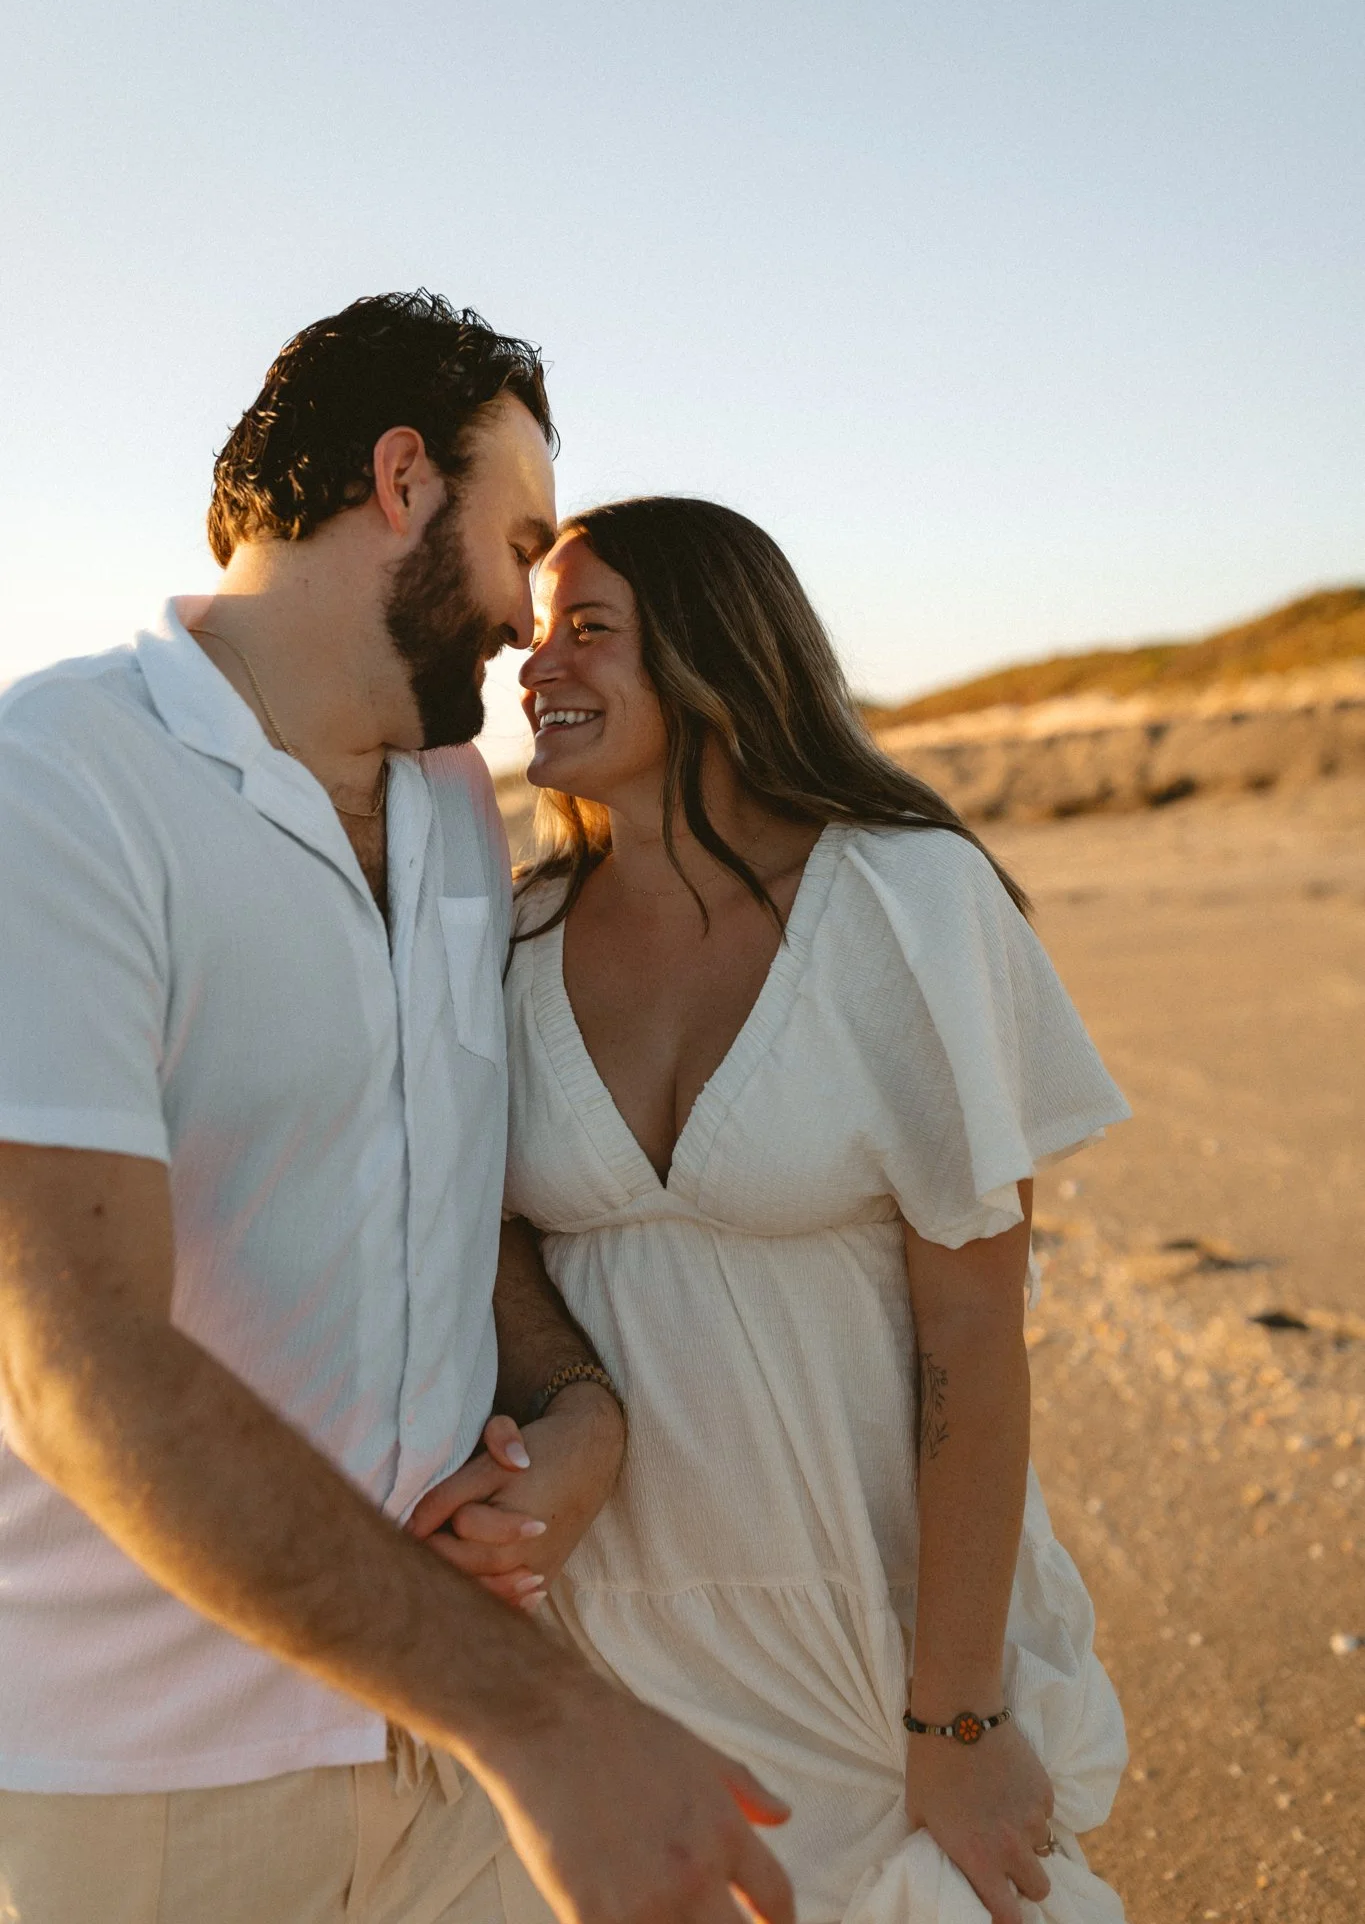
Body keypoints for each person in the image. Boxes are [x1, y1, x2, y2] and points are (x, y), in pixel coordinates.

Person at [0, 306, 794, 1924]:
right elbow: (67, 1357)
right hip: (145, 1790)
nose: (526, 613)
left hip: (447, 1759)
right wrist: (547, 1721)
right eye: (518, 540)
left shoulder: (451, 806)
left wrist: (581, 1415)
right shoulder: (55, 787)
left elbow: (450, 1198)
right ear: (398, 480)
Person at [414, 498, 1132, 1924]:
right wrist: (573, 1416)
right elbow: (473, 1228)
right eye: (538, 631)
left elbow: (977, 1333)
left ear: (717, 654)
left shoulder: (908, 904)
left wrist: (959, 1721)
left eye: (590, 630)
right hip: (607, 1645)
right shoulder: (516, 936)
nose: (536, 663)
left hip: (875, 1641)